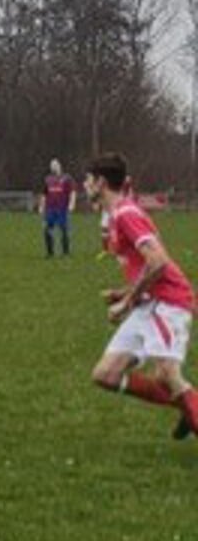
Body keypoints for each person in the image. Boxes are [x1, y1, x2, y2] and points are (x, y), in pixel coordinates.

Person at [83, 153, 198, 439]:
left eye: (87, 180)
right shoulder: (116, 215)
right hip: (148, 302)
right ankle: (188, 405)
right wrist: (123, 293)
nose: (84, 185)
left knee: (168, 374)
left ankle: (189, 405)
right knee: (105, 374)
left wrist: (128, 302)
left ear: (100, 183)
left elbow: (158, 262)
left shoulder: (126, 215)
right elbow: (147, 265)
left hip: (168, 303)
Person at [40, 158, 77, 258]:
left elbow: (72, 192)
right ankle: (50, 252)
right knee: (47, 229)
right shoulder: (47, 179)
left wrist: (72, 204)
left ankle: (65, 253)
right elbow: (44, 194)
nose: (53, 167)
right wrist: (42, 206)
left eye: (55, 165)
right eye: (52, 166)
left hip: (62, 208)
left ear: (60, 166)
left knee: (63, 229)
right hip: (50, 209)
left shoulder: (67, 178)